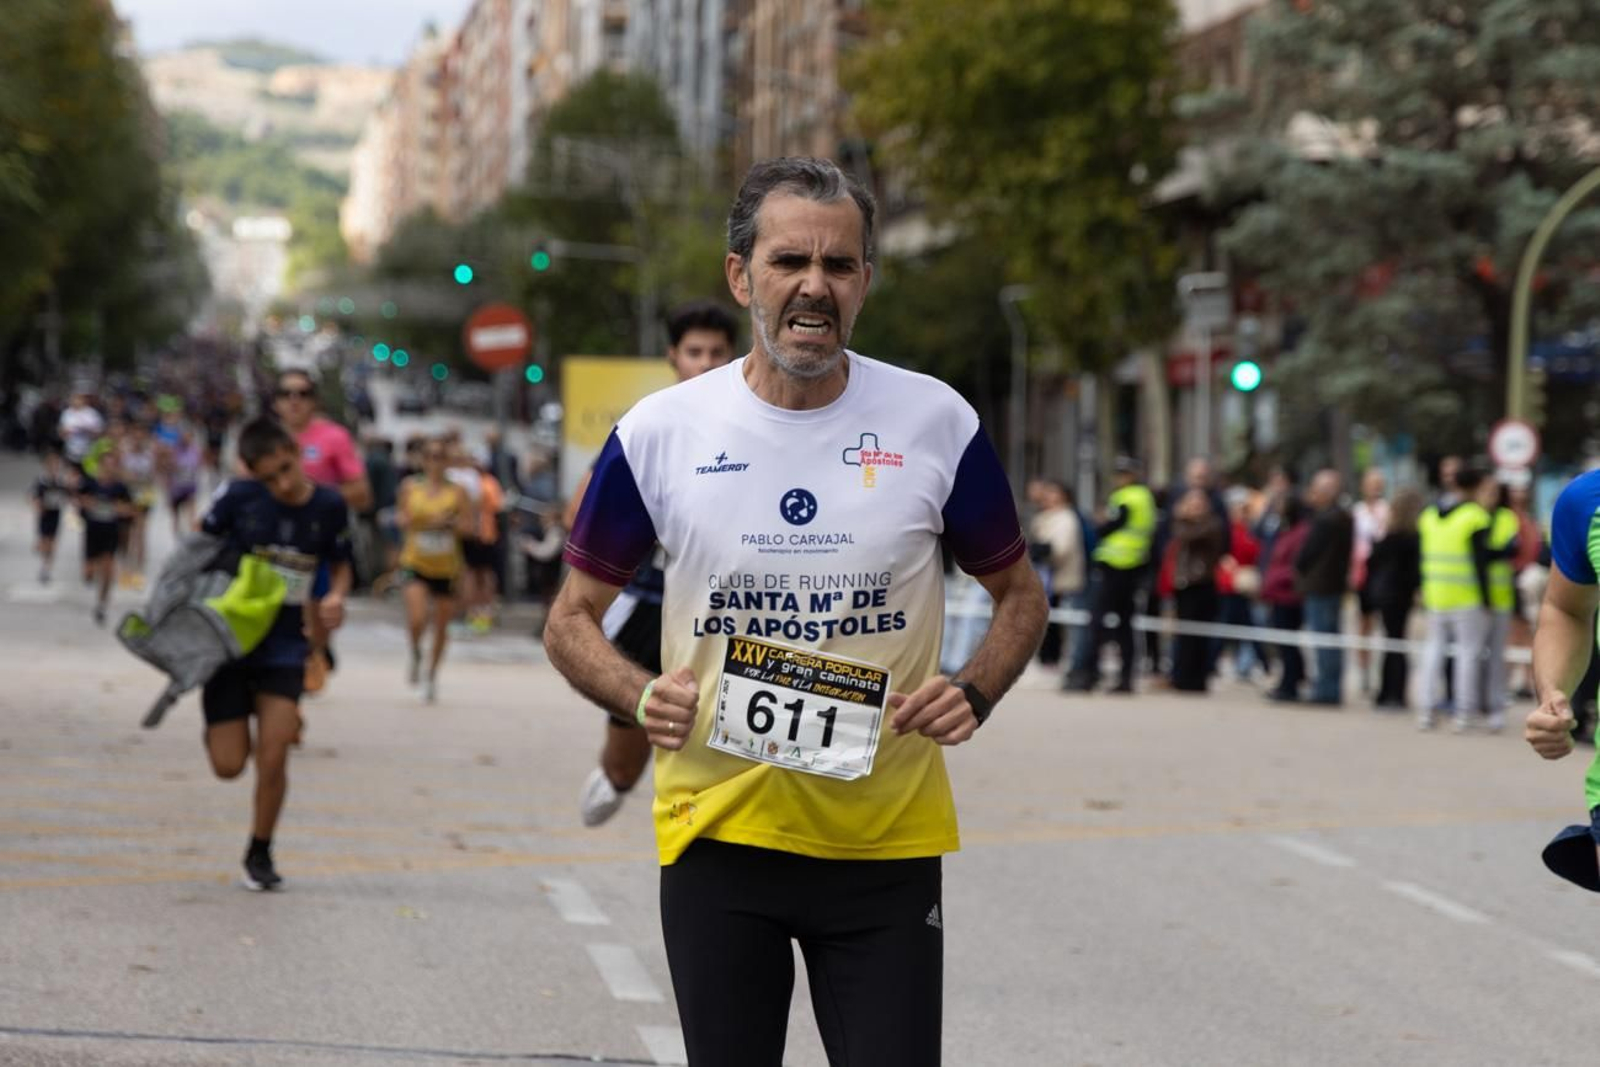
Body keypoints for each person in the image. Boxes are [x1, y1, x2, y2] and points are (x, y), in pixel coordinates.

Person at [543, 157, 1048, 1066]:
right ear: (742, 277)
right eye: (788, 262)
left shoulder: (936, 422)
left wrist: (975, 690)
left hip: (885, 845)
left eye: (841, 265)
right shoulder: (660, 433)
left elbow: (1021, 597)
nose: (815, 285)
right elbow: (570, 617)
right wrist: (635, 690)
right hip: (718, 836)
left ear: (865, 283)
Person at [570, 301, 740, 827]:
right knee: (628, 753)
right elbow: (583, 513)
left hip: (732, 608)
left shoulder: (759, 424)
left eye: (717, 352)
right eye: (695, 352)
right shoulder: (652, 425)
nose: (706, 363)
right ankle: (619, 777)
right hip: (651, 606)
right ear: (673, 357)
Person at [198, 418, 352, 890]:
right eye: (269, 477)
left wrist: (335, 599)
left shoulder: (329, 505)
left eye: (286, 469)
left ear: (295, 450)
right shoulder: (238, 498)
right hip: (230, 643)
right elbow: (196, 548)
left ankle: (260, 851)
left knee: (276, 752)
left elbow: (341, 565)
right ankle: (226, 722)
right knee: (229, 765)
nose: (282, 485)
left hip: (287, 645)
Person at [272, 369, 370, 692]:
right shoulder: (265, 438)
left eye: (302, 394)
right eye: (287, 394)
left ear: (314, 400)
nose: (294, 401)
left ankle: (314, 656)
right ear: (276, 402)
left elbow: (361, 493)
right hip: (270, 547)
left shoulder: (334, 438)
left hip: (316, 549)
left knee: (311, 628)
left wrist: (315, 499)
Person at [1066, 456, 1156, 694]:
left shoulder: (1127, 497)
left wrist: (1100, 523)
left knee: (1097, 621)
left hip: (1117, 564)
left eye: (1123, 473)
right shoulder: (1145, 497)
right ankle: (1125, 678)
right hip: (1134, 564)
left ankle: (1088, 674)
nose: (1119, 478)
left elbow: (1109, 526)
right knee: (1125, 624)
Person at [1417, 467, 1496, 731]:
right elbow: (1480, 562)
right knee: (1468, 654)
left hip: (1435, 593)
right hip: (1466, 595)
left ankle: (1426, 711)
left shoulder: (1429, 514)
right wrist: (1487, 599)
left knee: (1433, 650)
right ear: (1475, 487)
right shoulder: (1475, 516)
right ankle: (1464, 714)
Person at [396, 439, 475, 703]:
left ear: (447, 461)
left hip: (446, 566)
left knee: (442, 625)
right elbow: (401, 520)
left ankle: (431, 674)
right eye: (429, 456)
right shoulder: (410, 487)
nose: (434, 461)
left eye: (440, 456)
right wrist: (430, 521)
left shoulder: (458, 491)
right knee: (417, 617)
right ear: (422, 459)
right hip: (415, 560)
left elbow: (469, 528)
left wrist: (450, 524)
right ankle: (416, 649)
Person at [1294, 469, 1353, 706]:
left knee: (1325, 640)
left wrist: (1300, 566)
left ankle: (1327, 689)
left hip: (1322, 587)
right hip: (1331, 586)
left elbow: (1307, 553)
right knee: (1328, 639)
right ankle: (1329, 686)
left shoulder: (1328, 519)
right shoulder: (1339, 517)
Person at [1366, 488, 1424, 710]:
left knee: (1393, 642)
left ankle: (1389, 691)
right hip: (1398, 595)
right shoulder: (1410, 538)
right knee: (1396, 642)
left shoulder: (1391, 538)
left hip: (1387, 594)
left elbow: (1373, 562)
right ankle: (1393, 692)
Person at [1170, 487, 1226, 693]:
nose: (1193, 507)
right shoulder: (1187, 523)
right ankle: (1181, 676)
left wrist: (1183, 518)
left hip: (1201, 583)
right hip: (1184, 583)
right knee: (1184, 634)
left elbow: (1188, 536)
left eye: (1198, 503)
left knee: (1198, 635)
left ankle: (1196, 679)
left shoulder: (1212, 524)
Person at [1027, 478, 1086, 669]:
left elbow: (1061, 549)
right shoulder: (1042, 517)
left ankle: (1056, 660)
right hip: (1043, 577)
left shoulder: (1067, 517)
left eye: (1054, 493)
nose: (1049, 497)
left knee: (1059, 623)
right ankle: (1045, 658)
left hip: (1061, 579)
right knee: (1045, 621)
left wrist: (1040, 550)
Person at [76, 449, 133, 625]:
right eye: (106, 465)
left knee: (108, 570)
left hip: (110, 532)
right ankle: (90, 575)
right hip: (93, 531)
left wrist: (118, 508)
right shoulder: (90, 484)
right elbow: (79, 501)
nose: (109, 469)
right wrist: (90, 504)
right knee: (89, 572)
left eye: (112, 465)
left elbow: (130, 509)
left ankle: (102, 604)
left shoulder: (120, 488)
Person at [1263, 495, 1311, 702]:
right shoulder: (1285, 530)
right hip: (1278, 594)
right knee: (1283, 644)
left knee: (1287, 643)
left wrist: (1274, 580)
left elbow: (1296, 566)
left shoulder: (1300, 533)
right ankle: (1290, 679)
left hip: (1289, 596)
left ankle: (1290, 684)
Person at [1483, 482, 1522, 730]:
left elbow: (1512, 548)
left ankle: (1494, 705)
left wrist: (1490, 552)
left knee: (1496, 655)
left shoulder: (1507, 517)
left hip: (1499, 594)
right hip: (1471, 596)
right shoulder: (1470, 515)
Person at [1350, 468, 1390, 692]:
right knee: (1363, 623)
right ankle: (1364, 669)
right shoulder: (1357, 512)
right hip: (1363, 573)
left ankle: (1380, 671)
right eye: (1371, 483)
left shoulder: (1387, 511)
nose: (1375, 488)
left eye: (1378, 483)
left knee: (1382, 623)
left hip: (1381, 571)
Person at [120, 421, 160, 588]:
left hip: (144, 497)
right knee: (126, 535)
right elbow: (122, 475)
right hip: (128, 497)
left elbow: (152, 476)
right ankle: (126, 567)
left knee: (141, 533)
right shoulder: (124, 454)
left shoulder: (149, 455)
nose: (138, 438)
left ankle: (138, 570)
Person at [31, 449, 72, 584]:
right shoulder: (42, 481)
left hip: (55, 513)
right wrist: (38, 506)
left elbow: (68, 496)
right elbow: (33, 496)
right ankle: (43, 555)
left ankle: (46, 568)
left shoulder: (61, 481)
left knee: (52, 542)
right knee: (44, 540)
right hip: (45, 514)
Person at [58, 391, 104, 473]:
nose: (77, 401)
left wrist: (87, 431)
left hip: (88, 452)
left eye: (79, 398)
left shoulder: (92, 414)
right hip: (71, 452)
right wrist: (68, 432)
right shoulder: (67, 413)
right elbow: (61, 433)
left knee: (88, 475)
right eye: (74, 398)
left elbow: (99, 433)